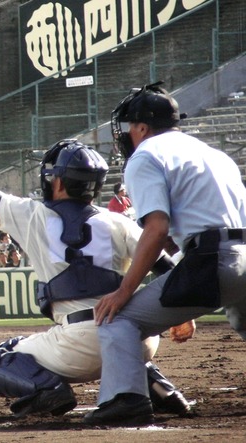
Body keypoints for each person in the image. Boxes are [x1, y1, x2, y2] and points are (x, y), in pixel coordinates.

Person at [0, 137, 191, 418]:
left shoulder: (32, 215)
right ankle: (161, 388)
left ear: (58, 182)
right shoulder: (119, 221)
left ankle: (49, 389)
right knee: (123, 336)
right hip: (139, 341)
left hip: (78, 346)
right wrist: (181, 314)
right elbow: (165, 267)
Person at [82, 82, 246, 426]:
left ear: (142, 127)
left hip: (213, 261)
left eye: (129, 127)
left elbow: (156, 230)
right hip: (238, 255)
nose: (127, 134)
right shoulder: (213, 153)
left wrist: (124, 290)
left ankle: (126, 399)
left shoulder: (146, 155)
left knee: (120, 317)